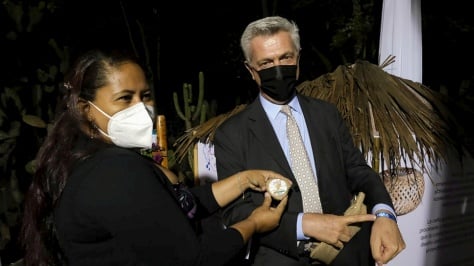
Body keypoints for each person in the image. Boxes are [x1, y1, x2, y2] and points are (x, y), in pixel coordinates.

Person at [18, 49, 290, 266]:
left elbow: (174, 206)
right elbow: (194, 258)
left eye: (145, 96)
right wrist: (254, 223)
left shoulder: (96, 159)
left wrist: (243, 180)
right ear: (85, 109)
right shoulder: (114, 170)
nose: (141, 109)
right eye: (125, 99)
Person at [213, 16, 405, 266]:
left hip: (347, 254)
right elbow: (235, 211)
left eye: (285, 58)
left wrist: (385, 214)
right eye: (266, 63)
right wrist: (304, 224)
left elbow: (358, 171)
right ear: (251, 70)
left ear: (298, 59)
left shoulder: (327, 114)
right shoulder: (231, 134)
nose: (278, 68)